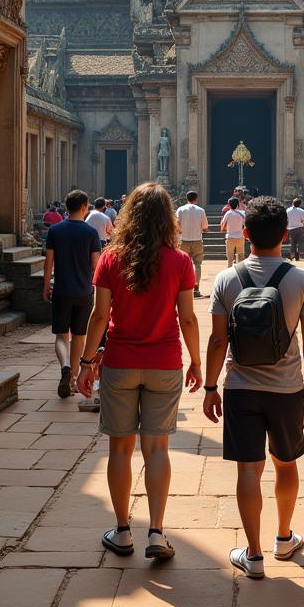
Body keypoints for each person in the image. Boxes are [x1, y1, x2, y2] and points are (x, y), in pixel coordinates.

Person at [76, 183, 202, 561]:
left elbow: (99, 316)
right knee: (157, 447)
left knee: (120, 447)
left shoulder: (112, 259)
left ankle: (123, 530)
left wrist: (84, 362)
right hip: (164, 362)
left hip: (120, 362)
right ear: (168, 219)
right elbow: (188, 318)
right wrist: (196, 361)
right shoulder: (179, 261)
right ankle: (157, 532)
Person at [203, 196, 304, 579]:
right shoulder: (300, 278)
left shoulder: (226, 279)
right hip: (286, 388)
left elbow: (218, 342)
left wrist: (209, 386)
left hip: (240, 386)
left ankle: (253, 554)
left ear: (245, 232)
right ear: (286, 234)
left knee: (247, 470)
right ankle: (284, 537)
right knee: (286, 465)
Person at [43, 190, 102, 398]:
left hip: (61, 289)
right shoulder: (91, 233)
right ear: (85, 207)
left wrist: (45, 286)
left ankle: (65, 366)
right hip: (84, 291)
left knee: (61, 335)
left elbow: (48, 262)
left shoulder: (55, 230)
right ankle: (75, 377)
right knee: (79, 335)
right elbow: (96, 265)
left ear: (67, 208)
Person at [176, 191, 209, 298]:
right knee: (197, 264)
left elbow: (176, 225)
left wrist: (181, 231)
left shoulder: (180, 210)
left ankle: (183, 286)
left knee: (182, 265)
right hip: (197, 240)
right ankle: (196, 287)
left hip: (184, 240)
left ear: (186, 198)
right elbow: (205, 226)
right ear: (196, 199)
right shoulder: (201, 210)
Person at [221, 196, 247, 266]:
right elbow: (245, 226)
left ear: (229, 205)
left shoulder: (228, 213)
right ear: (238, 204)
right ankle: (240, 272)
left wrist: (225, 229)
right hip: (240, 237)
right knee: (240, 257)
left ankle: (229, 271)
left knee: (230, 258)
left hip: (230, 237)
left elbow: (223, 226)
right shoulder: (243, 213)